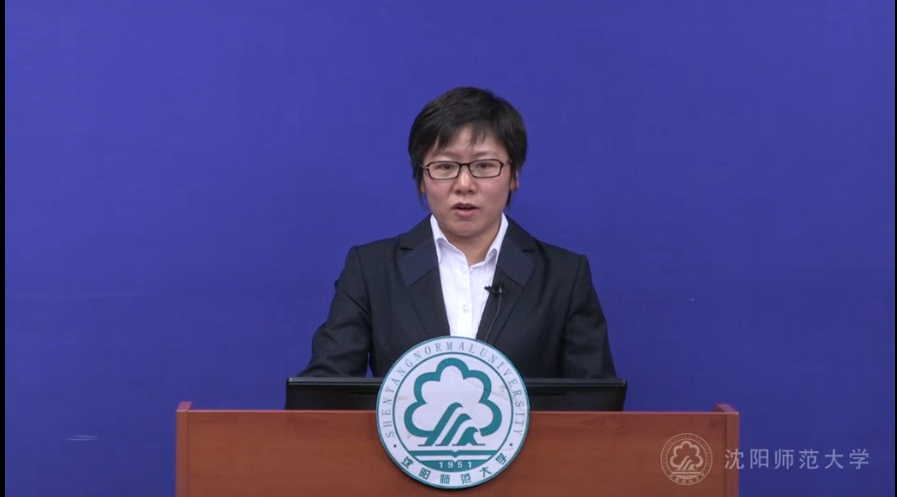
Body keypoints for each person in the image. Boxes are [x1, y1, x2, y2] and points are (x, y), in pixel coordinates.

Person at [298, 87, 616, 379]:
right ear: (422, 179)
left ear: (514, 175)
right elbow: (324, 392)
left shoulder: (563, 277)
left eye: (484, 166)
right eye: (445, 167)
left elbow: (594, 404)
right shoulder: (371, 270)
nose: (464, 184)